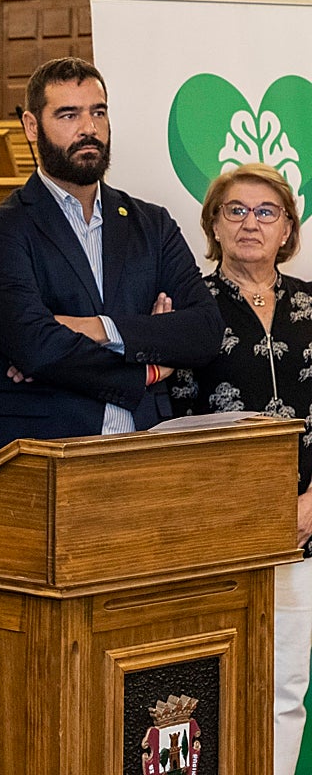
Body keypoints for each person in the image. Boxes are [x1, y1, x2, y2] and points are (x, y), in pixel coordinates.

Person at [0, 56, 222, 451]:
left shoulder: (152, 224)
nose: (89, 128)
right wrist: (147, 369)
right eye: (69, 115)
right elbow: (36, 348)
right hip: (48, 450)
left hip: (147, 448)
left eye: (98, 112)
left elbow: (205, 330)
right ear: (32, 126)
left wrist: (100, 329)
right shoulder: (2, 229)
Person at [168, 163, 311, 775]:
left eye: (266, 212)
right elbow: (171, 419)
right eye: (236, 210)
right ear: (213, 225)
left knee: (285, 685)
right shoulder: (188, 308)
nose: (250, 223)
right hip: (212, 534)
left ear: (288, 230)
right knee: (208, 691)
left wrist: (309, 507)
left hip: (301, 528)